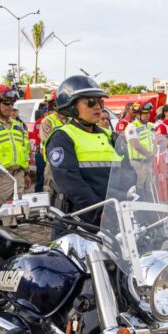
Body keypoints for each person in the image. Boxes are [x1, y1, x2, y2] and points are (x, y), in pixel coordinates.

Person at [44, 75, 120, 226]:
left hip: (116, 214)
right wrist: (99, 210)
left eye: (100, 102)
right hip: (82, 221)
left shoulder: (110, 136)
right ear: (71, 107)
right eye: (91, 102)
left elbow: (127, 172)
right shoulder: (62, 137)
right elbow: (69, 180)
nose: (98, 107)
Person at [39, 90, 67, 194]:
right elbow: (49, 143)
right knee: (51, 191)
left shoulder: (70, 120)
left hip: (69, 164)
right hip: (54, 164)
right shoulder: (48, 121)